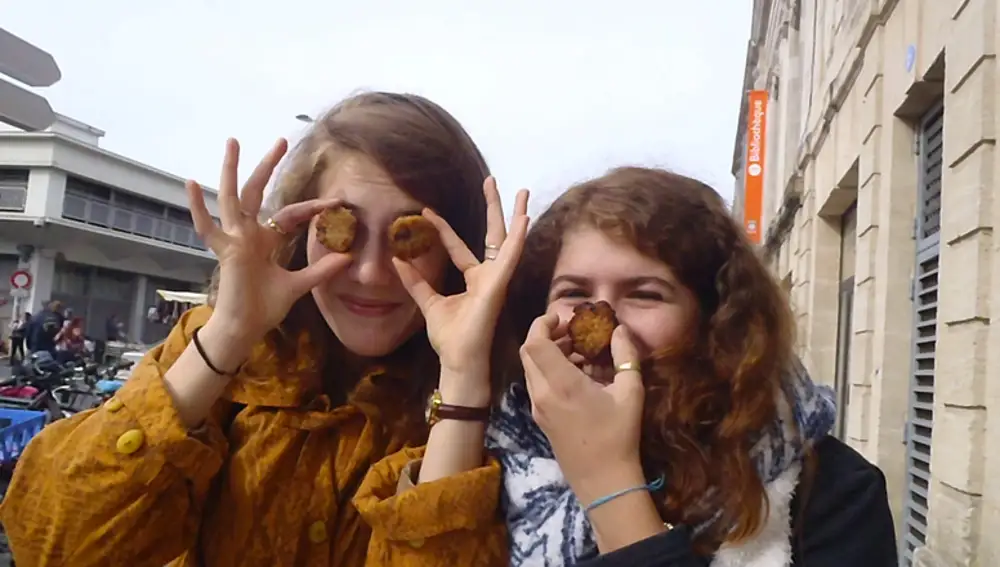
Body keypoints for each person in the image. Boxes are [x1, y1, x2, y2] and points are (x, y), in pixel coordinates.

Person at [0, 91, 530, 567]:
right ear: (300, 231)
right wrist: (229, 332)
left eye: (407, 237)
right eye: (340, 230)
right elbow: (55, 547)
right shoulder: (216, 350)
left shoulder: (508, 408)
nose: (370, 273)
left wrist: (462, 380)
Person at [487, 167, 897, 566]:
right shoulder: (504, 458)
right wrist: (464, 369)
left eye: (646, 294)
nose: (604, 320)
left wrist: (609, 480)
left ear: (714, 320)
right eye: (574, 292)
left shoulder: (837, 495)